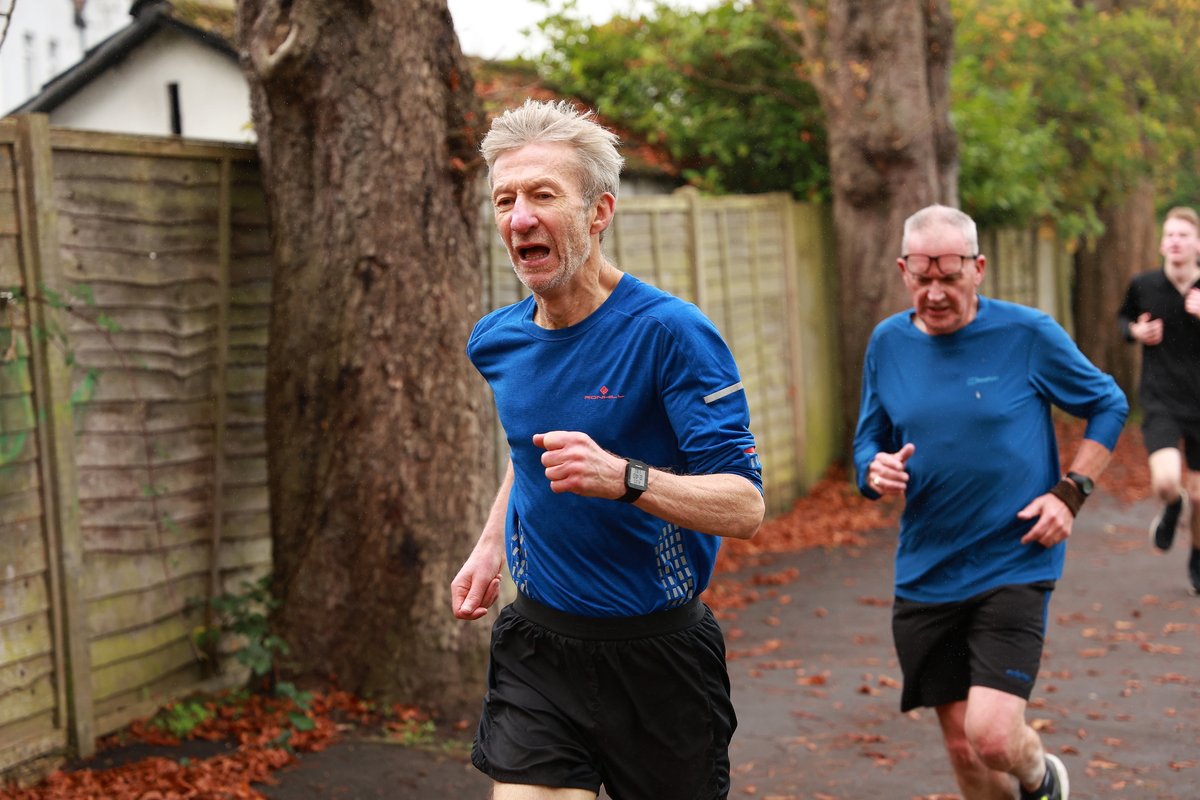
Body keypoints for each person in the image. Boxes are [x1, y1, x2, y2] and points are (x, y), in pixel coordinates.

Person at [449, 99, 765, 800]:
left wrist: (625, 478)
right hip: (540, 645)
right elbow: (530, 455)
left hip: (658, 656)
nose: (519, 217)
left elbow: (744, 506)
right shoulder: (496, 341)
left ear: (598, 213)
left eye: (542, 196)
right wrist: (490, 545)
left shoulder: (672, 334)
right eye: (505, 199)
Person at [853, 205, 1128, 800]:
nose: (934, 293)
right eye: (922, 279)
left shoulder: (1027, 336)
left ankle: (1041, 777)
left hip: (1015, 559)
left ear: (979, 269)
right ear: (903, 271)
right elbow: (868, 441)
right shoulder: (888, 344)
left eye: (949, 278)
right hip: (927, 570)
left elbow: (1108, 403)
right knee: (962, 747)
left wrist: (1071, 492)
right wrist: (871, 470)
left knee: (995, 736)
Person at [1117, 206, 1200, 594]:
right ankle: (1172, 504)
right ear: (1162, 242)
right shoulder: (1144, 285)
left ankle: (1197, 558)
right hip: (1162, 398)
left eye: (1183, 235)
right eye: (1169, 235)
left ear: (1197, 244)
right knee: (1167, 482)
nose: (1176, 241)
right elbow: (1122, 321)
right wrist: (1136, 330)